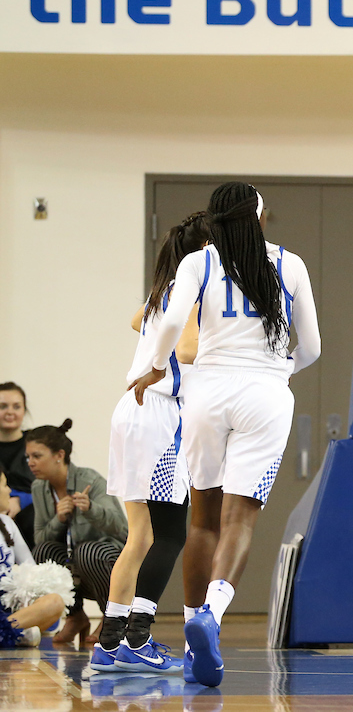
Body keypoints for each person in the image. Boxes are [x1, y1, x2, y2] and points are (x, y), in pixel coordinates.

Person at [131, 182, 320, 687]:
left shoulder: (200, 262)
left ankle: (193, 631)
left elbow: (171, 324)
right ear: (260, 218)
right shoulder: (291, 262)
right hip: (266, 395)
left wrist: (153, 368)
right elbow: (314, 347)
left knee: (201, 521)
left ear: (213, 220)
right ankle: (213, 615)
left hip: (207, 393)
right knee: (240, 519)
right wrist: (279, 374)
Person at [90, 212, 208, 675]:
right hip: (161, 418)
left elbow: (137, 319)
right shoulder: (195, 294)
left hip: (132, 413)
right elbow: (188, 350)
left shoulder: (164, 291)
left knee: (139, 536)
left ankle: (110, 643)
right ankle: (138, 640)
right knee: (168, 534)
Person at [27, 420, 128, 646]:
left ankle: (112, 617)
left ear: (59, 455)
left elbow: (122, 530)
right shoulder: (39, 488)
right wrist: (58, 520)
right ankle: (76, 616)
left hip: (106, 561)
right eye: (28, 457)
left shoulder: (90, 480)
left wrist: (91, 509)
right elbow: (40, 539)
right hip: (76, 566)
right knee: (43, 551)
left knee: (87, 551)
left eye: (37, 456)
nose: (31, 463)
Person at [0, 509, 76, 648]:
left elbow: (30, 568)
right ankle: (15, 634)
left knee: (55, 602)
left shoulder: (7, 522)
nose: (9, 491)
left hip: (7, 605)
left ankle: (8, 633)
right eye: (5, 486)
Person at [0, 383, 37, 546]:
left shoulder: (37, 442)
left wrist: (20, 500)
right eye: (2, 406)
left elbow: (51, 486)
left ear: (24, 410)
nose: (10, 412)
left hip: (31, 512)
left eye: (16, 406)